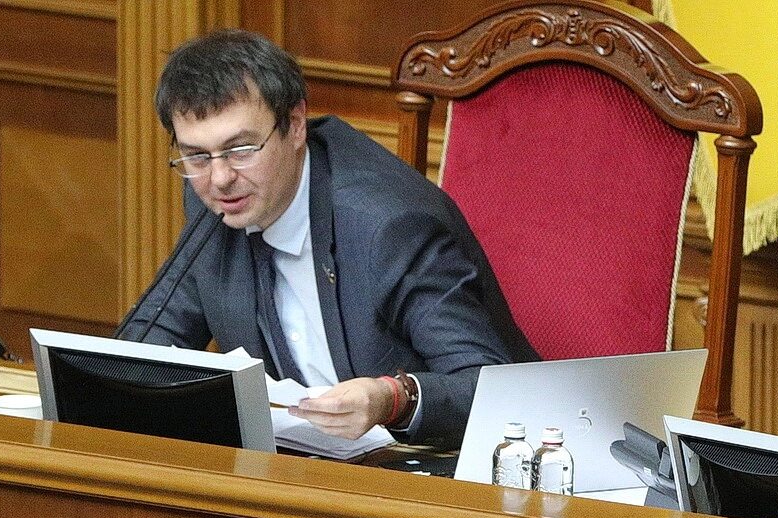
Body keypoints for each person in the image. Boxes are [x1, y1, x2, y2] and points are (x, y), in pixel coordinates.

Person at [116, 29, 537, 451]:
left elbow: (484, 386)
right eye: (197, 155)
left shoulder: (388, 226)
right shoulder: (217, 195)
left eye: (241, 149)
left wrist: (392, 399)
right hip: (296, 472)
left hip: (428, 476)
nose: (220, 178)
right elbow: (156, 340)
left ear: (295, 126)